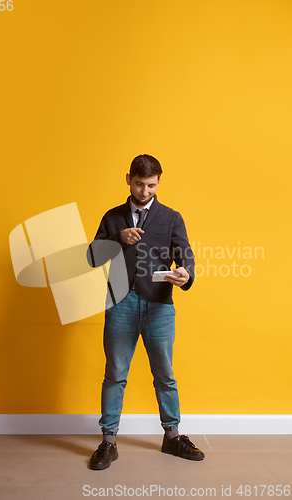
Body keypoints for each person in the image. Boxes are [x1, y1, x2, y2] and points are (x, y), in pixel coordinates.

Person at [88, 154, 204, 470]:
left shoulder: (171, 218)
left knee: (165, 374)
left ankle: (173, 436)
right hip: (120, 304)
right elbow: (92, 257)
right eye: (139, 184)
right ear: (129, 179)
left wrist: (185, 275)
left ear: (159, 182)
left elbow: (186, 258)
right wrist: (117, 238)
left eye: (151, 185)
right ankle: (108, 442)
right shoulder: (113, 217)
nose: (145, 191)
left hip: (160, 306)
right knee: (115, 374)